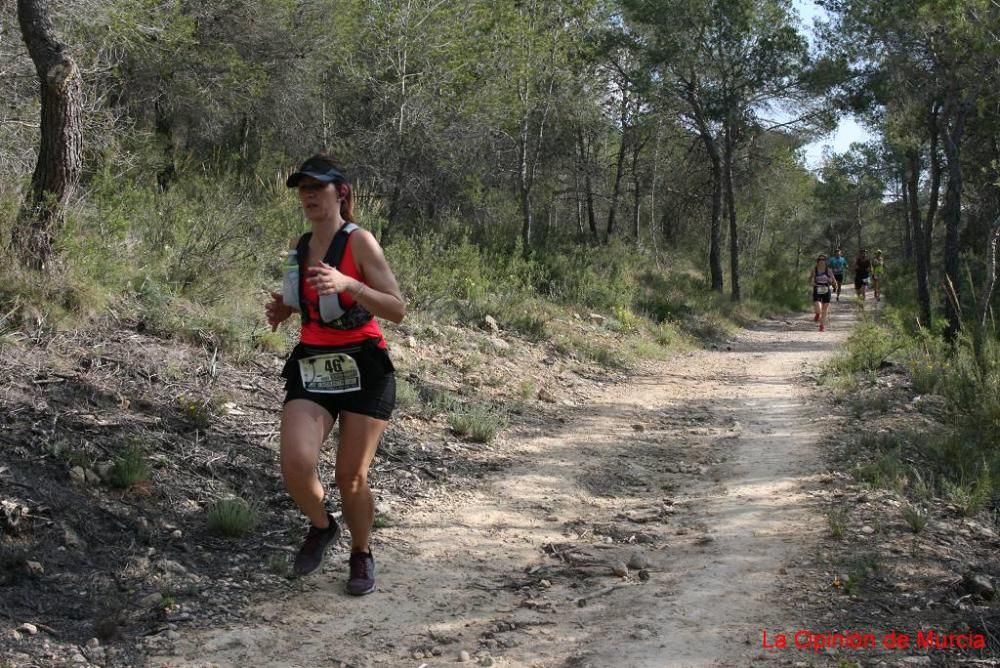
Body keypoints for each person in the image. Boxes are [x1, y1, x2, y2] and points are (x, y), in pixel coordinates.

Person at [265, 154, 406, 594]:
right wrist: (283, 309)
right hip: (315, 365)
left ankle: (361, 554)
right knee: (295, 462)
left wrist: (351, 285)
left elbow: (397, 308)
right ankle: (323, 526)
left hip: (365, 365)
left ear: (340, 193)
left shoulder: (360, 241)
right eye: (302, 189)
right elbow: (304, 298)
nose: (308, 195)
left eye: (317, 187)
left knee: (350, 476)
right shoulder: (300, 244)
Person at [810, 254, 838, 332]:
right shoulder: (814, 270)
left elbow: (834, 281)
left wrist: (833, 284)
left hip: (826, 289)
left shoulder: (828, 270)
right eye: (820, 260)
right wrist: (812, 283)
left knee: (825, 309)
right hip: (817, 289)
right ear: (817, 261)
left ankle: (822, 325)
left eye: (823, 260)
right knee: (819, 309)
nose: (821, 261)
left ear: (826, 261)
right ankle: (817, 314)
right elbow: (810, 280)